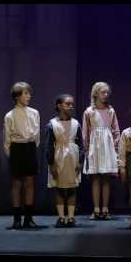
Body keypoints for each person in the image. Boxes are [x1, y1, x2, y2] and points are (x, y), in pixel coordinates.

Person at [3, 82, 40, 229]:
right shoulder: (9, 115)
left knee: (30, 183)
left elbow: (36, 135)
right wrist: (11, 154)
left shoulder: (34, 112)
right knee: (16, 184)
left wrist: (30, 147)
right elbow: (7, 138)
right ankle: (17, 218)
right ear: (17, 96)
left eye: (29, 93)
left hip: (29, 147)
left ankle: (28, 218)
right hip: (16, 149)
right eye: (26, 93)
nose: (29, 96)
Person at [82, 82, 120, 220]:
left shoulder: (110, 111)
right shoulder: (89, 111)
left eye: (106, 93)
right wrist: (86, 149)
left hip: (107, 145)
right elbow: (85, 132)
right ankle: (96, 209)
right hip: (95, 146)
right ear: (95, 93)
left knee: (106, 178)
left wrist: (115, 147)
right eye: (103, 92)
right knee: (96, 178)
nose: (105, 95)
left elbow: (116, 130)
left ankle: (105, 208)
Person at [45, 94, 84, 228]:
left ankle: (71, 217)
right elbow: (49, 145)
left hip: (72, 157)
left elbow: (81, 145)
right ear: (59, 106)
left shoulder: (75, 124)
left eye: (72, 104)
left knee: (72, 188)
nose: (71, 106)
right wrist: (51, 163)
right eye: (68, 104)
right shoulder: (52, 124)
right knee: (60, 189)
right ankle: (62, 217)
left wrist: (80, 161)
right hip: (59, 157)